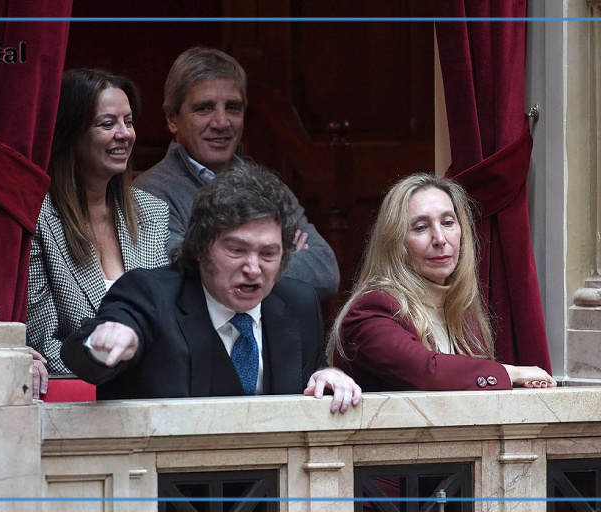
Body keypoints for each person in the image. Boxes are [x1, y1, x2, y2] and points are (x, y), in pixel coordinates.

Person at [62, 165, 362, 413]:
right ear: (201, 248)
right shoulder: (150, 295)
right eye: (236, 250)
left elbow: (312, 372)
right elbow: (82, 358)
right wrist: (101, 345)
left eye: (268, 254)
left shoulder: (298, 303)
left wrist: (328, 376)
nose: (253, 268)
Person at [132, 46, 340, 302]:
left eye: (232, 108)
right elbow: (181, 281)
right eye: (204, 108)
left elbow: (326, 271)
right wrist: (283, 258)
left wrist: (223, 268)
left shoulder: (267, 187)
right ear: (172, 119)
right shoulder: (149, 193)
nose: (221, 122)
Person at [328, 173, 556, 391]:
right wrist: (509, 372)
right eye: (420, 227)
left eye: (447, 222)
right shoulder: (373, 308)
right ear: (395, 242)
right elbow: (427, 372)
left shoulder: (460, 311)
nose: (440, 239)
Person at [27, 68, 170, 375]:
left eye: (128, 121)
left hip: (151, 392)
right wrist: (123, 366)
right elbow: (43, 343)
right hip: (76, 394)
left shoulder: (152, 212)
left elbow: (168, 324)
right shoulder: (38, 218)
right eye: (107, 124)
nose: (125, 134)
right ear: (71, 134)